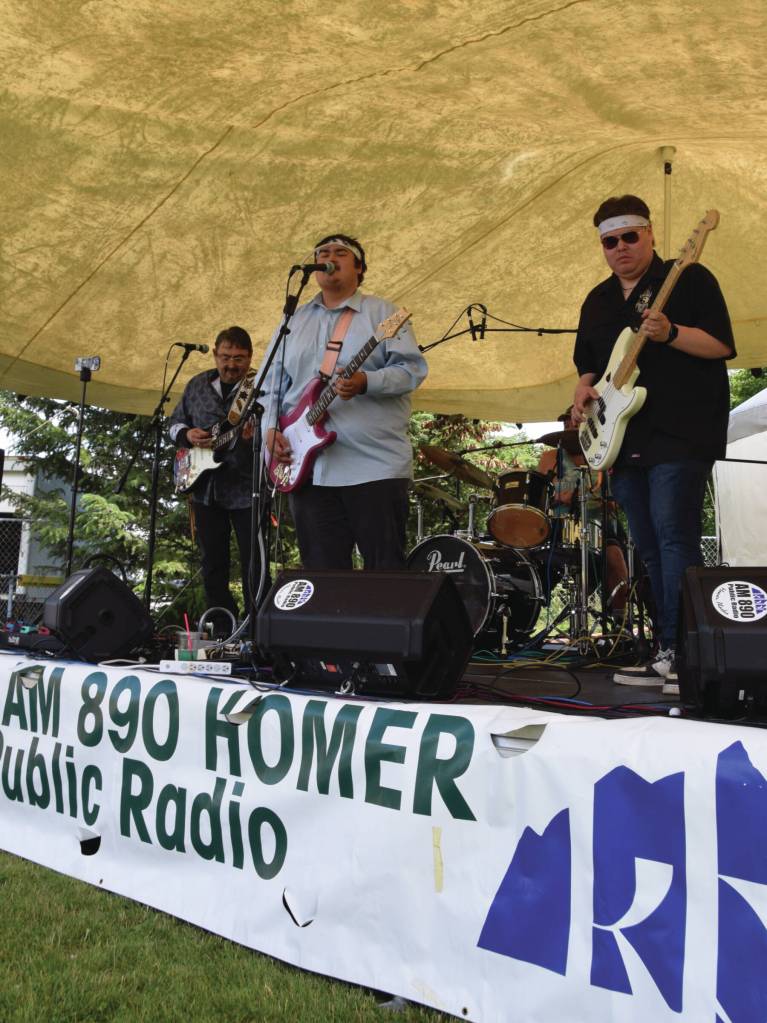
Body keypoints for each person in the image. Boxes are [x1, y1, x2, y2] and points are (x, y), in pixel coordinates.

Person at [571, 195, 734, 688]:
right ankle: (664, 650)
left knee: (674, 536)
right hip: (623, 438)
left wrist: (671, 333)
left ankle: (686, 652)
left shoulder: (688, 279)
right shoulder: (598, 300)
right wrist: (582, 387)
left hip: (682, 431)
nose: (619, 248)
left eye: (629, 236)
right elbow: (589, 364)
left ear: (650, 234)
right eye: (609, 241)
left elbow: (722, 346)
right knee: (645, 544)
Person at [261, 233, 428, 570]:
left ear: (359, 268)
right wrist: (269, 430)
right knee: (323, 576)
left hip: (374, 466)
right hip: (307, 469)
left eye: (340, 253)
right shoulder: (292, 320)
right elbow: (271, 386)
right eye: (322, 253)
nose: (329, 258)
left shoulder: (383, 313)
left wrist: (367, 381)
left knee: (385, 574)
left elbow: (412, 369)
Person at [169, 326, 256, 630]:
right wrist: (186, 433)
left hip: (247, 489)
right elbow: (173, 424)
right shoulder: (197, 384)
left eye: (239, 359)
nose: (232, 364)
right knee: (212, 565)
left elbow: (277, 430)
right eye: (226, 357)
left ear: (250, 358)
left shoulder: (259, 388)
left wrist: (249, 438)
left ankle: (258, 631)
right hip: (205, 489)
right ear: (216, 355)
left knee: (253, 564)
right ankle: (221, 629)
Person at [536, 408, 629, 614]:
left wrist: (597, 497)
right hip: (559, 526)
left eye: (575, 422)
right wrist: (558, 497)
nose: (570, 426)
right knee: (534, 558)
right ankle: (531, 610)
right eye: (567, 423)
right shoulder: (550, 457)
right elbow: (541, 496)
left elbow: (618, 501)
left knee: (615, 558)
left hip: (600, 526)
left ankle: (620, 622)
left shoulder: (605, 454)